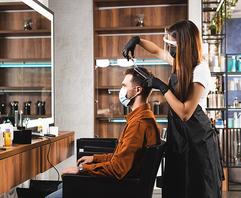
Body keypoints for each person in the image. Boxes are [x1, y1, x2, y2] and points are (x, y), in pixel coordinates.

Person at [122, 19, 224, 198]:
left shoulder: (200, 70)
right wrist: (136, 40)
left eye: (171, 43)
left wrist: (163, 87)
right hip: (179, 139)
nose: (168, 48)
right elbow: (156, 50)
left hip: (198, 141)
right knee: (177, 188)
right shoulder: (180, 63)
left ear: (184, 44)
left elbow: (185, 112)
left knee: (197, 190)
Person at [46, 67, 161, 198]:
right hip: (125, 183)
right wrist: (94, 158)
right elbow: (120, 157)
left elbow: (118, 168)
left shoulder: (138, 124)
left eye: (124, 86)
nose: (121, 90)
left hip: (120, 187)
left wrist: (81, 169)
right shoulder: (143, 118)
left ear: (138, 90)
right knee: (63, 185)